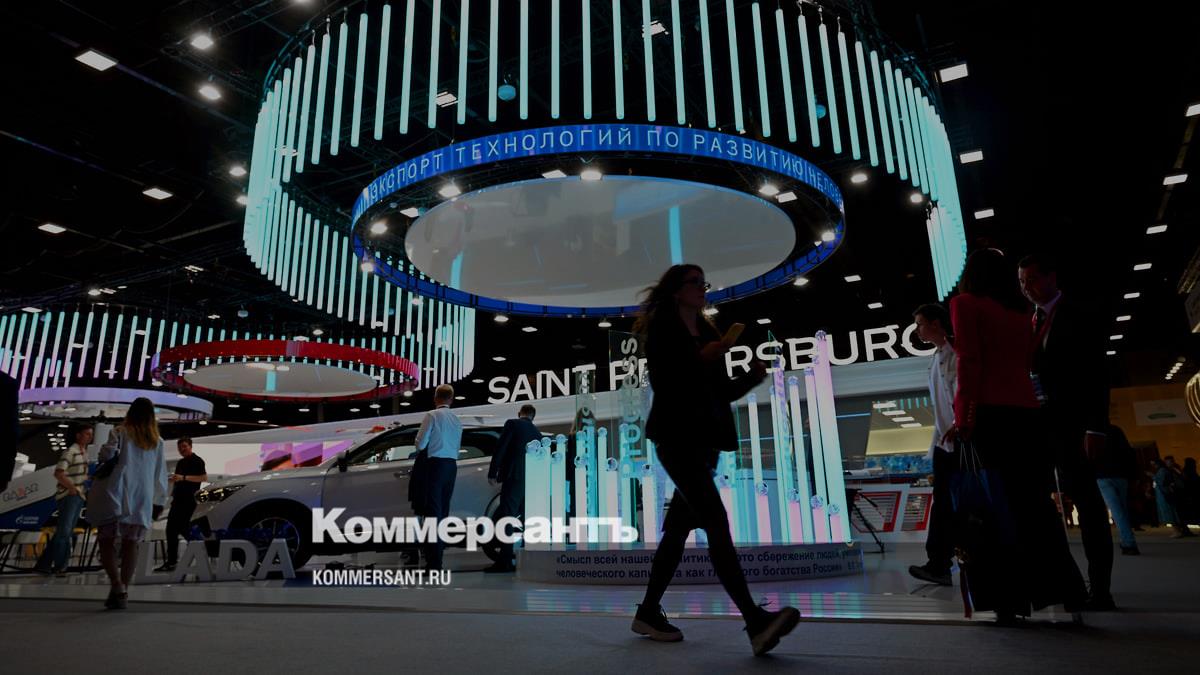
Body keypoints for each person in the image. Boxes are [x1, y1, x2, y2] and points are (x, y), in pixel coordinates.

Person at [633, 264, 800, 657]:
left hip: (705, 443)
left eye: (703, 282)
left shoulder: (709, 335)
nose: (702, 288)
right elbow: (666, 385)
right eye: (695, 282)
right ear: (676, 290)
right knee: (715, 521)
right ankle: (754, 621)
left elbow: (719, 393)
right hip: (676, 440)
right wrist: (700, 358)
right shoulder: (663, 330)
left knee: (678, 531)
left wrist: (752, 378)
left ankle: (647, 612)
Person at [943, 249, 1087, 622]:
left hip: (989, 415)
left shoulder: (965, 304)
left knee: (994, 508)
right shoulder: (1021, 311)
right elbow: (1025, 362)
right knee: (1036, 506)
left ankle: (1009, 600)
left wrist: (962, 416)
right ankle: (1066, 590)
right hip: (1027, 415)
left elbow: (969, 362)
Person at [1018, 253, 1116, 610]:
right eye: (1022, 282)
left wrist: (1096, 428)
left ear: (1052, 278)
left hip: (1076, 425)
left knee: (1088, 505)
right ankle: (1062, 584)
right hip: (1043, 427)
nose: (1027, 288)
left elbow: (1097, 374)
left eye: (1032, 279)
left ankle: (1101, 589)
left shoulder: (1079, 314)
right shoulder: (1029, 321)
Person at [86, 397, 168, 609]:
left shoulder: (120, 432)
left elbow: (105, 455)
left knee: (106, 541)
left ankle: (117, 585)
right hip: (142, 497)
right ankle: (123, 588)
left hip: (117, 493)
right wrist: (159, 501)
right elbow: (160, 475)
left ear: (131, 412)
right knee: (132, 544)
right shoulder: (157, 441)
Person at [908, 304, 957, 587]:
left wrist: (960, 424)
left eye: (920, 323)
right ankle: (939, 563)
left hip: (962, 441)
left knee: (954, 503)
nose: (917, 330)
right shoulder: (936, 358)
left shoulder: (957, 354)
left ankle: (942, 562)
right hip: (944, 443)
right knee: (943, 504)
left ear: (936, 324)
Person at [485, 404, 541, 573]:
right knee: (525, 518)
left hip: (514, 476)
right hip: (531, 479)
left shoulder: (512, 424)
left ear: (519, 413)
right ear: (533, 416)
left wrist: (493, 472)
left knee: (507, 517)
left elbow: (501, 447)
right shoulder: (537, 432)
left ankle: (505, 562)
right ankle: (526, 559)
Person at [34, 423, 94, 575]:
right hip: (69, 495)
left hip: (78, 495)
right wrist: (71, 488)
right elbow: (59, 473)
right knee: (64, 533)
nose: (90, 437)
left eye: (91, 434)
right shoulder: (71, 451)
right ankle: (60, 566)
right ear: (78, 435)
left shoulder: (83, 452)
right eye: (87, 434)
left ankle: (44, 564)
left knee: (64, 532)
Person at [413, 384, 462, 570]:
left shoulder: (432, 415)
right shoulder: (457, 419)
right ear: (451, 399)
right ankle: (436, 560)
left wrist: (418, 443)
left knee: (433, 514)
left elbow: (420, 444)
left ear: (435, 398)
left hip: (435, 466)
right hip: (451, 466)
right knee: (443, 513)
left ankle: (434, 563)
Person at [156, 437, 207, 572]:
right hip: (178, 500)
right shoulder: (181, 462)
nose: (181, 449)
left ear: (190, 446)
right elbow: (179, 480)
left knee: (183, 529)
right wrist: (174, 484)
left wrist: (183, 478)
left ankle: (200, 555)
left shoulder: (198, 461)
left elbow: (203, 477)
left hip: (189, 501)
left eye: (184, 446)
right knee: (172, 530)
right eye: (179, 447)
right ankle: (173, 561)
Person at [1094, 424, 1140, 555]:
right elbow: (1129, 452)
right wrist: (1133, 475)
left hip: (1103, 475)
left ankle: (1129, 542)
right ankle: (1126, 539)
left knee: (1117, 510)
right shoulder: (1117, 430)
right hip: (1121, 475)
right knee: (1122, 509)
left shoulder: (1094, 430)